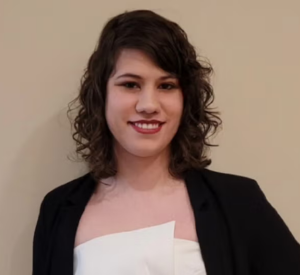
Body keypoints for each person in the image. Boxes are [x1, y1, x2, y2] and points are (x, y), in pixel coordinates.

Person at [32, 9, 300, 275]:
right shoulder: (58, 211)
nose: (149, 105)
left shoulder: (239, 201)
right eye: (130, 84)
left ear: (186, 99)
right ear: (102, 96)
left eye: (166, 86)